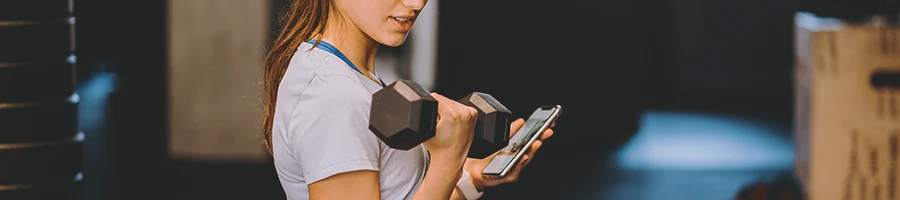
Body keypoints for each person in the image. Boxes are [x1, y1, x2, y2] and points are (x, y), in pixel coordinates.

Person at [260, 0, 555, 199]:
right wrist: (448, 158)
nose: (416, 3)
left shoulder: (353, 76)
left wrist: (472, 175)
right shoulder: (333, 96)